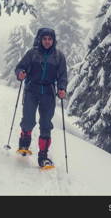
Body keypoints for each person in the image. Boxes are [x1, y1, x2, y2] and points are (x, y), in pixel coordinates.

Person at [14, 28, 67, 168]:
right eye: (45, 39)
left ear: (53, 40)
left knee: (45, 124)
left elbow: (62, 76)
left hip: (48, 93)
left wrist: (62, 88)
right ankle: (24, 144)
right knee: (28, 119)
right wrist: (20, 73)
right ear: (40, 39)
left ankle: (43, 156)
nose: (47, 41)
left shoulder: (59, 57)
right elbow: (20, 67)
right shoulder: (32, 54)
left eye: (50, 39)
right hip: (32, 90)